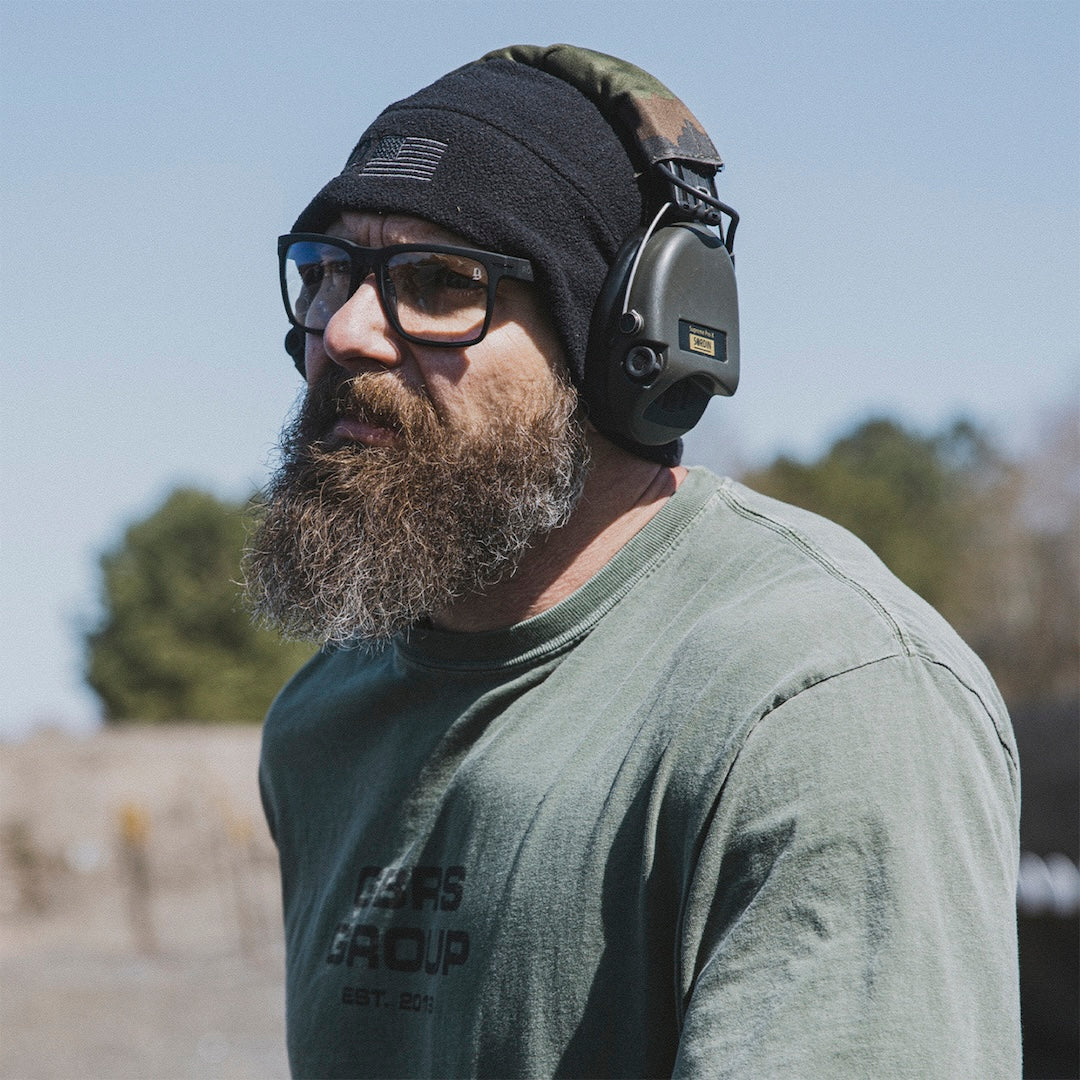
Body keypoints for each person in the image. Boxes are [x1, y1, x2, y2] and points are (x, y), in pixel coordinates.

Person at [248, 45, 1021, 1079]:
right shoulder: (321, 723)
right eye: (327, 272)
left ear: (620, 346)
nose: (344, 331)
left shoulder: (818, 703)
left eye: (436, 282)